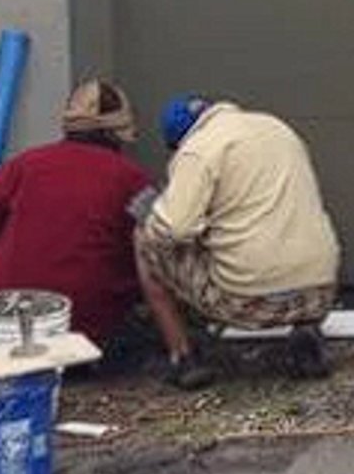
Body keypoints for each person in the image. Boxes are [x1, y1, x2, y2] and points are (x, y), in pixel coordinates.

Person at [132, 94, 342, 389]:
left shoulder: (197, 150)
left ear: (179, 142)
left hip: (247, 301)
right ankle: (307, 334)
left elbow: (174, 230)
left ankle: (183, 357)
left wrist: (154, 214)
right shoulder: (277, 128)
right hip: (319, 292)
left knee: (144, 237)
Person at [0, 79, 155, 348]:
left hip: (2, 322)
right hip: (87, 327)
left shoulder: (25, 165)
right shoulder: (133, 179)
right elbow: (158, 242)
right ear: (120, 131)